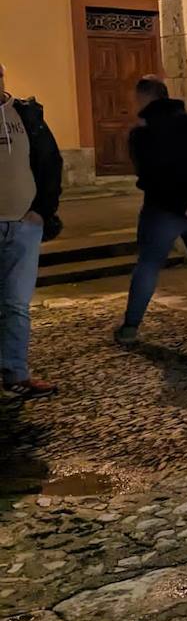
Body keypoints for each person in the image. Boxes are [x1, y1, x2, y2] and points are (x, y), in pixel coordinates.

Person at [115, 76, 187, 345]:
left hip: (163, 210)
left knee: (148, 265)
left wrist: (183, 204)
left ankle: (130, 328)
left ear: (145, 97)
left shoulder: (143, 132)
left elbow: (150, 175)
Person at [0, 62, 62, 400]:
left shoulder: (26, 116)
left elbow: (51, 163)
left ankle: (15, 374)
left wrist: (42, 210)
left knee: (16, 305)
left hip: (23, 226)